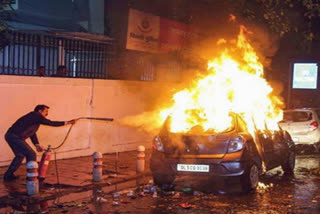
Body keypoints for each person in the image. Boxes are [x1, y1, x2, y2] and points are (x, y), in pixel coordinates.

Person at [3, 104, 76, 181]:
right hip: (15, 137)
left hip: (11, 136)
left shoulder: (34, 119)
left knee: (20, 155)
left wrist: (37, 144)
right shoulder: (36, 115)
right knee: (31, 154)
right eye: (46, 111)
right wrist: (68, 122)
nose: (47, 114)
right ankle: (32, 176)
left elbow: (32, 133)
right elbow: (51, 123)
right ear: (40, 111)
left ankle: (8, 175)